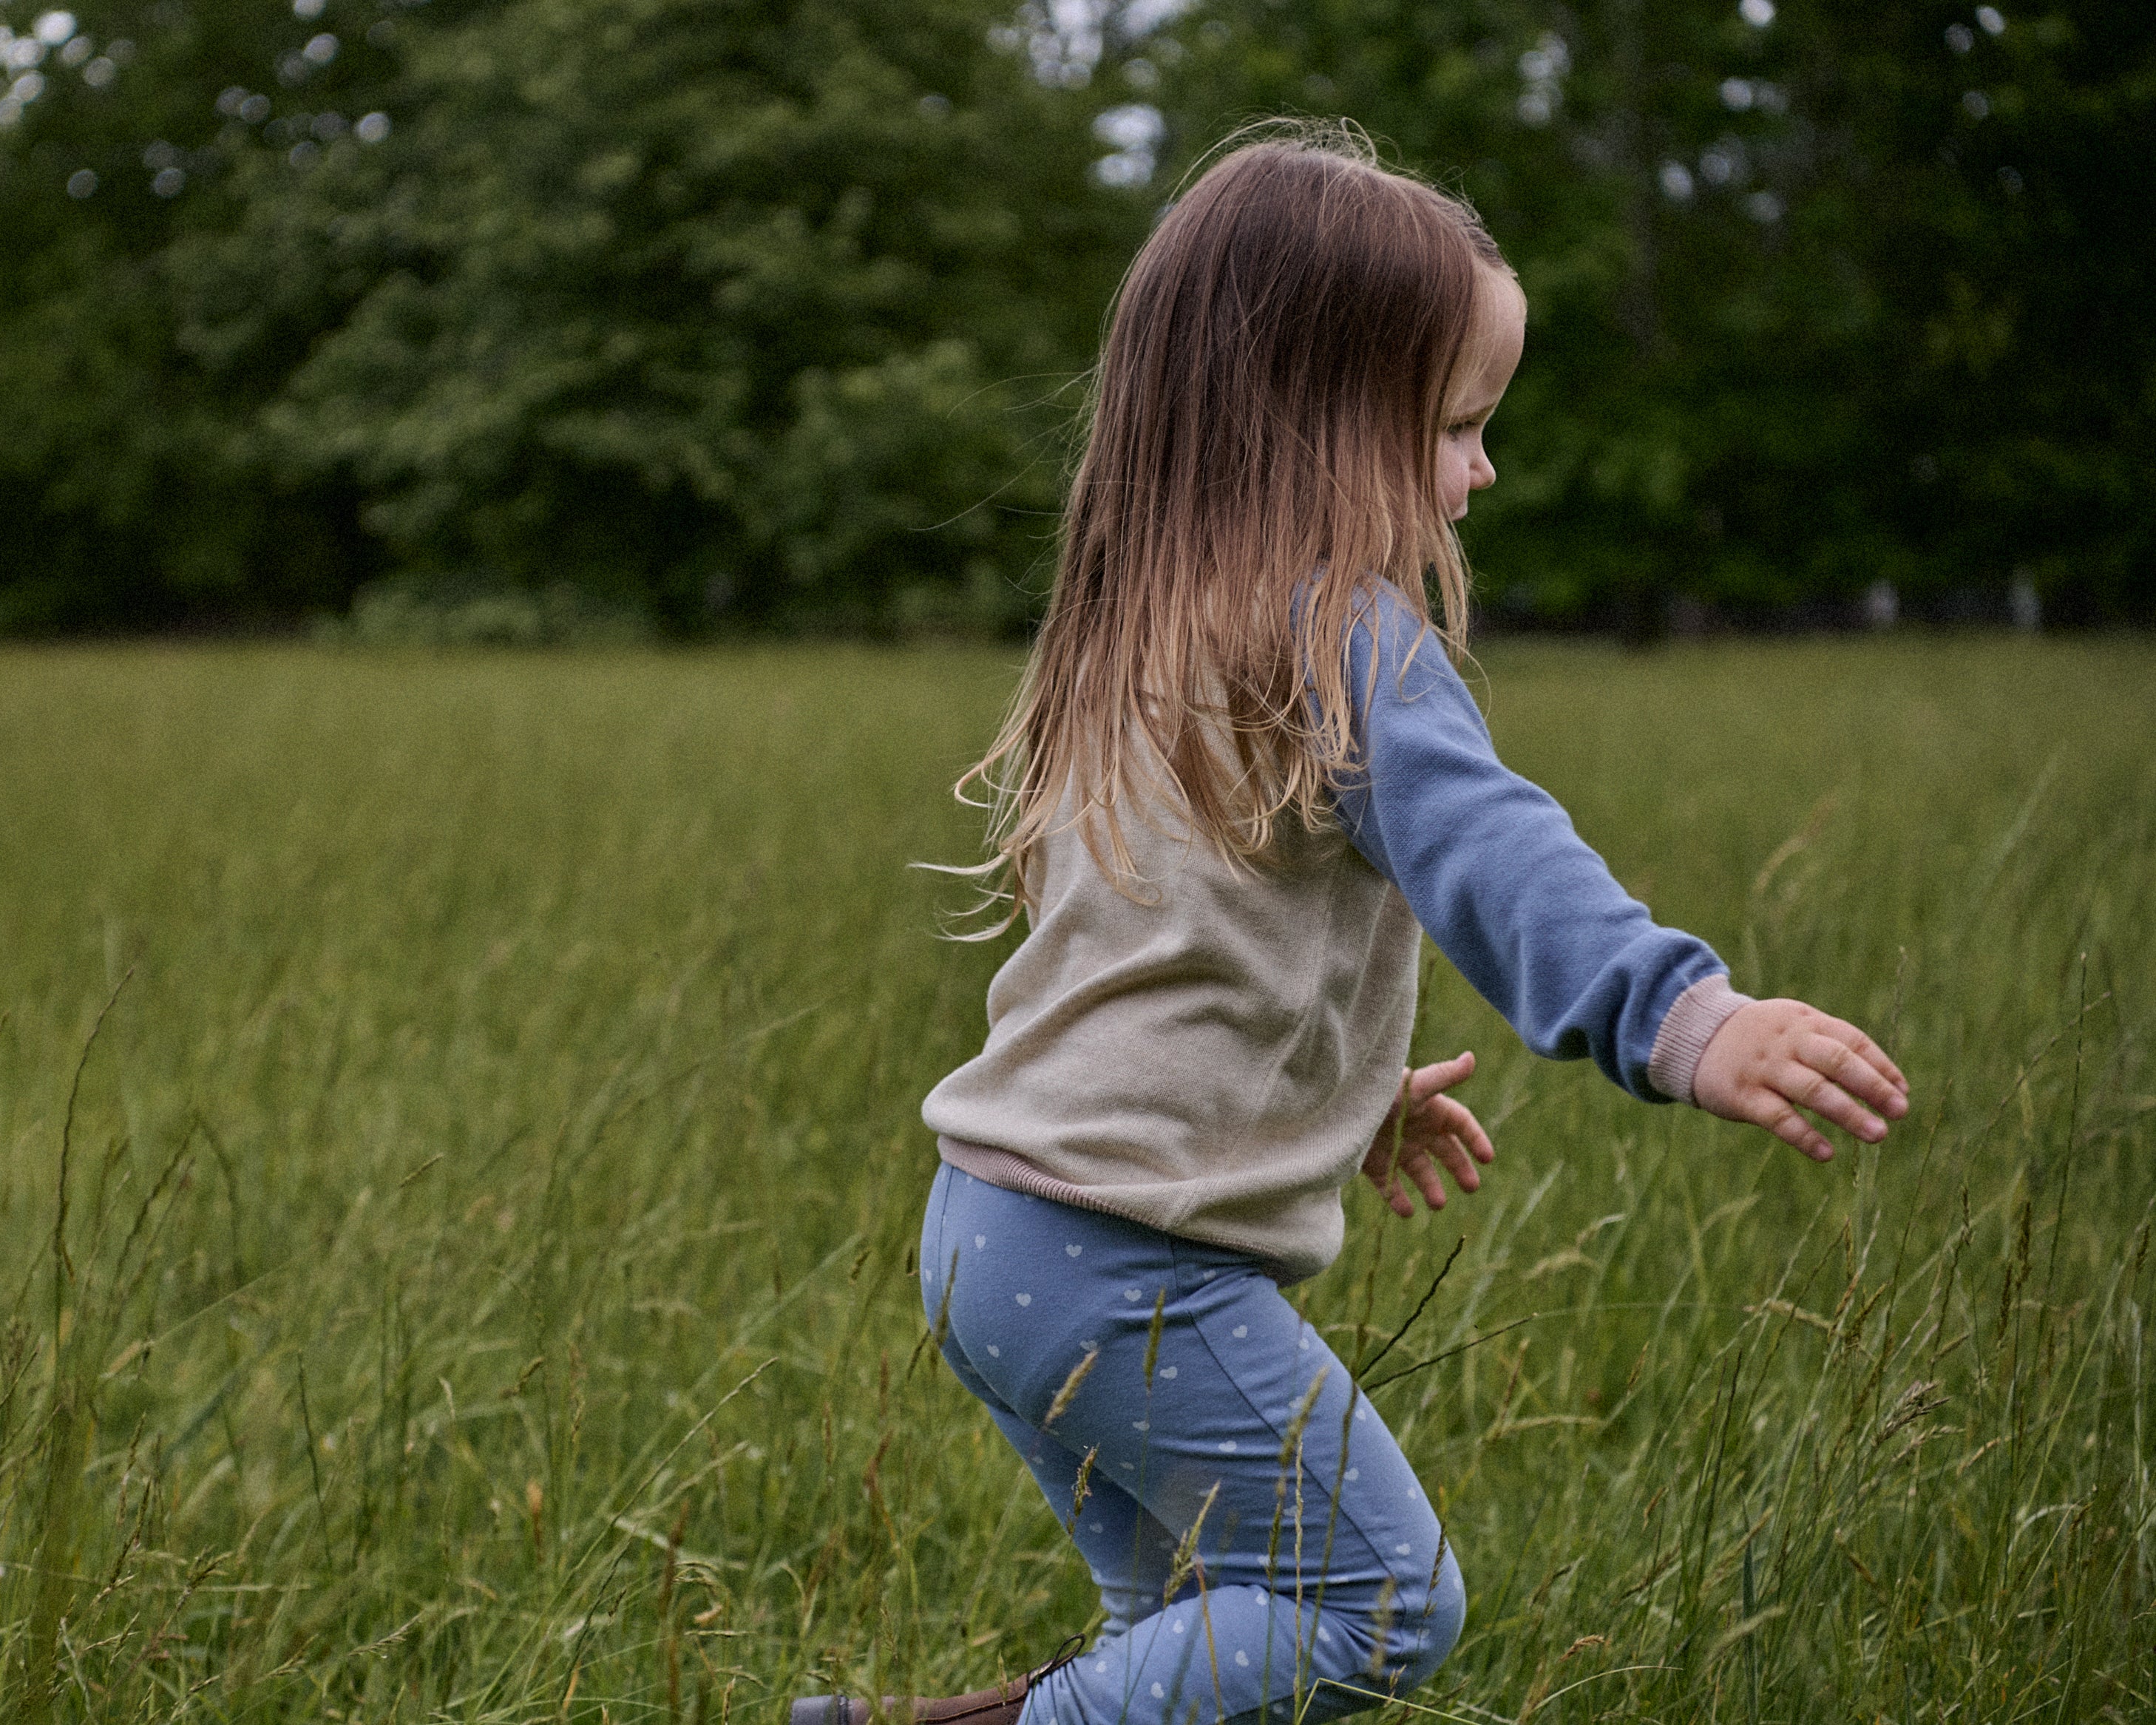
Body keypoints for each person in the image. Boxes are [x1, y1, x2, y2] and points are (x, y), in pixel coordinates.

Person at [787, 124, 1909, 1725]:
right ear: (1317, 424)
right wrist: (1683, 1016)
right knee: (1373, 1602)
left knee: (1197, 1636)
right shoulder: (1344, 639)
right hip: (1123, 1260)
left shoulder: (1143, 631)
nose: (1480, 472)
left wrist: (1334, 1087)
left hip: (995, 1234)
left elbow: (1169, 955)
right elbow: (1494, 852)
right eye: (1453, 428)